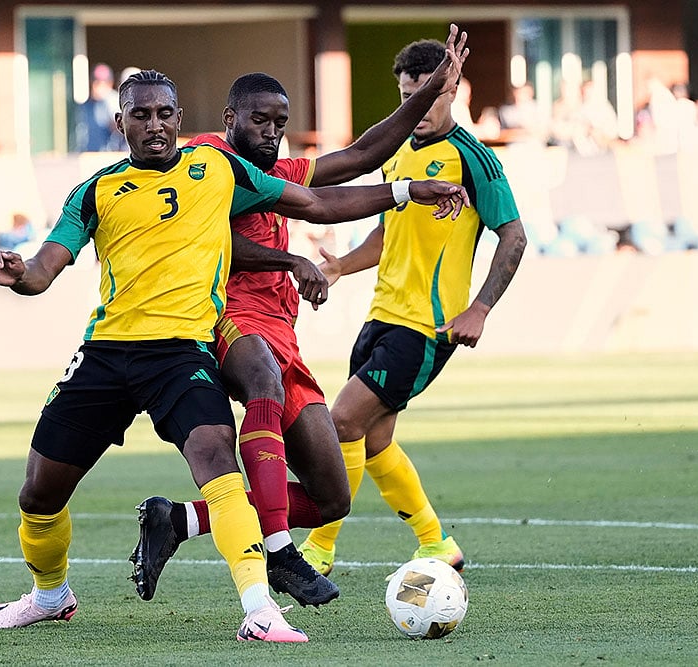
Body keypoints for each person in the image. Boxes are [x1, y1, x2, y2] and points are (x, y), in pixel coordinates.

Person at [0, 69, 467, 642]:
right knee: (38, 493)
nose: (154, 125)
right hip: (112, 352)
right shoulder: (97, 190)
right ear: (120, 121)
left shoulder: (218, 170)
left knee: (242, 472)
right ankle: (49, 595)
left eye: (163, 114)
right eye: (141, 114)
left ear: (179, 118)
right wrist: (19, 274)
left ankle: (258, 606)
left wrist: (407, 188)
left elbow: (317, 199)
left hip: (182, 353)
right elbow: (44, 268)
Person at [128, 25, 468, 609]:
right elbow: (205, 241)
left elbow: (358, 160)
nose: (273, 133)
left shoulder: (276, 173)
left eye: (281, 123)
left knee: (333, 496)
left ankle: (180, 521)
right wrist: (290, 258)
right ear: (231, 118)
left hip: (282, 329)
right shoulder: (205, 161)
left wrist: (414, 162)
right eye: (261, 121)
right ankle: (280, 551)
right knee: (259, 375)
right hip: (228, 317)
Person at [298, 38, 527, 576]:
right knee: (374, 442)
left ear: (452, 89)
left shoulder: (476, 160)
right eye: (406, 98)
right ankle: (436, 542)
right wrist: (339, 266)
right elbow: (388, 230)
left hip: (427, 327)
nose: (415, 110)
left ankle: (319, 550)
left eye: (425, 96)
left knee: (342, 420)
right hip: (380, 315)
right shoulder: (397, 153)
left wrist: (480, 309)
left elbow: (513, 237)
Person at [75, 63, 118, 152]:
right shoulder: (85, 106)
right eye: (95, 82)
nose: (98, 87)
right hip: (88, 155)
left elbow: (119, 128)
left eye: (103, 83)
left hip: (109, 155)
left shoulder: (114, 101)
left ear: (110, 83)